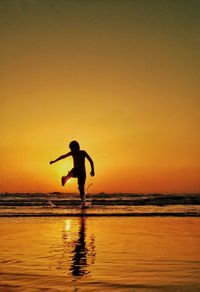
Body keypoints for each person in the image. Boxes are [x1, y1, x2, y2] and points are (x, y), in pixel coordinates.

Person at [50, 141, 95, 206]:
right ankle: (65, 178)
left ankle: (83, 203)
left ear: (78, 147)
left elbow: (91, 160)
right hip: (75, 170)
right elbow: (63, 156)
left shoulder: (83, 152)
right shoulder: (72, 153)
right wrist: (54, 161)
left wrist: (92, 170)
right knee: (72, 171)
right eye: (71, 149)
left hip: (82, 173)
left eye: (74, 148)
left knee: (81, 188)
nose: (73, 150)